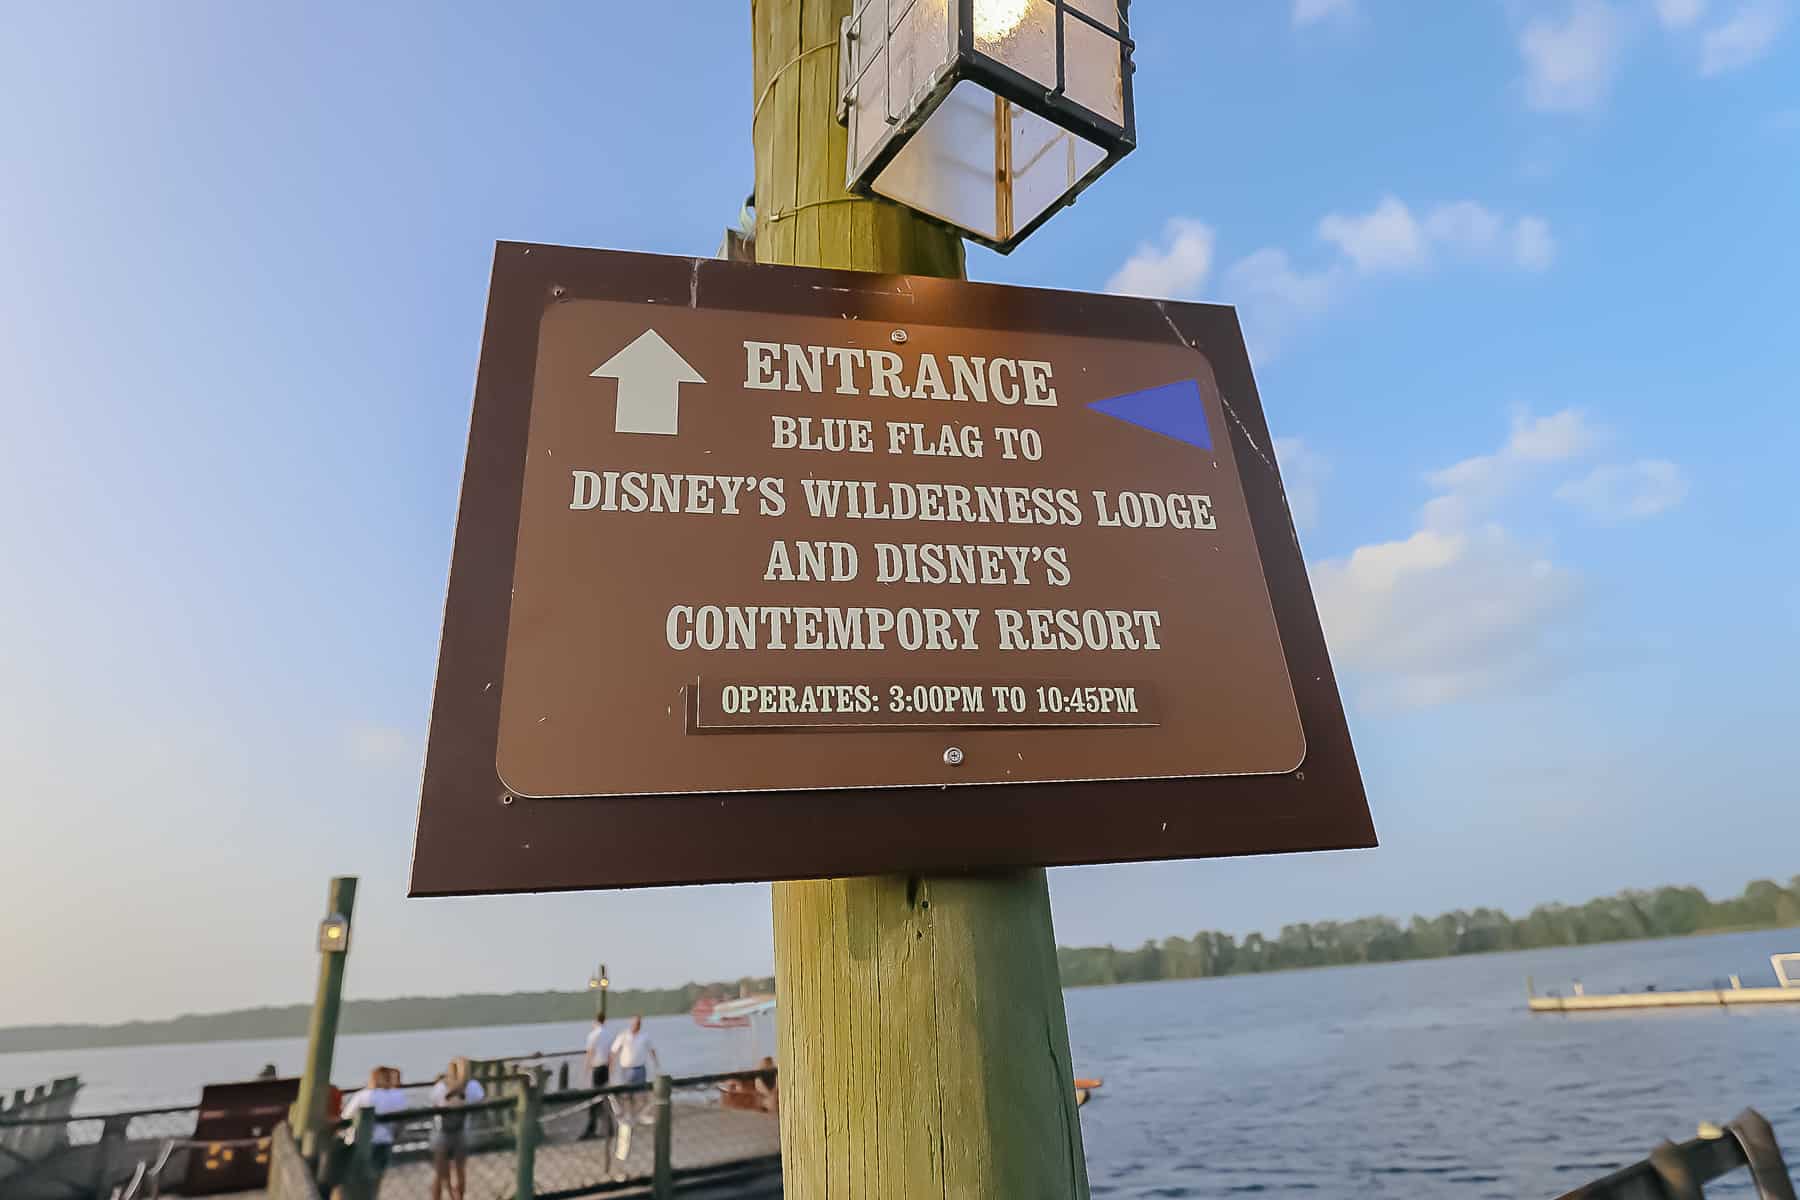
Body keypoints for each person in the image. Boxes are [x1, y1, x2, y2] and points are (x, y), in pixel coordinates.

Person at [337, 1067, 407, 1199]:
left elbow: (346, 1117)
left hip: (362, 1144)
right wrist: (395, 1135)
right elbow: (401, 1121)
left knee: (357, 1183)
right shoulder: (398, 1096)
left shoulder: (363, 1095)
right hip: (385, 1142)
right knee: (376, 1182)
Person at [428, 1057, 484, 1200]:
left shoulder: (440, 1086)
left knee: (439, 1173)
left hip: (441, 1132)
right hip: (462, 1132)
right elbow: (480, 1101)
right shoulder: (473, 1086)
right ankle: (459, 1197)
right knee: (460, 1170)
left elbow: (433, 1103)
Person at [609, 1015, 661, 1125]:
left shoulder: (644, 1036)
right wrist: (611, 1065)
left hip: (640, 1069)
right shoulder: (623, 1035)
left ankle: (639, 1115)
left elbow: (651, 1050)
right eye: (634, 1023)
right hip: (627, 1069)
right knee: (628, 1094)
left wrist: (656, 1064)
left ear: (640, 1025)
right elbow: (614, 1050)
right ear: (630, 1023)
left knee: (641, 1094)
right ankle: (629, 1115)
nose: (635, 1025)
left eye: (638, 1023)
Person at [581, 1012, 612, 1140]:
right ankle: (609, 1127)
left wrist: (586, 1069)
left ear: (595, 1021)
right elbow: (611, 1052)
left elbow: (590, 1052)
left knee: (595, 1098)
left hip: (597, 1068)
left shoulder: (593, 1035)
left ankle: (592, 1127)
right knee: (605, 1097)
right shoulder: (609, 1034)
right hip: (606, 1067)